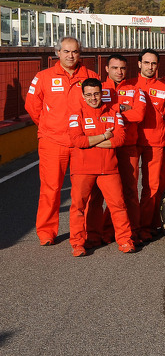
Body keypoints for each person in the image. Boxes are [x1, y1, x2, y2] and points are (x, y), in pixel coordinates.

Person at [25, 37, 99, 245]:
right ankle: (47, 232)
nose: (70, 55)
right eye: (66, 51)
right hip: (52, 141)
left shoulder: (90, 77)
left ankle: (82, 231)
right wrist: (48, 127)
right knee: (51, 189)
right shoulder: (43, 77)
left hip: (81, 142)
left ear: (80, 53)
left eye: (74, 51)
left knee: (83, 190)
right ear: (57, 53)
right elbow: (32, 106)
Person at [67, 78, 135, 256]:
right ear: (83, 95)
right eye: (88, 95)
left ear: (102, 93)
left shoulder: (114, 113)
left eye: (96, 94)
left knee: (118, 206)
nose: (93, 98)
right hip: (83, 168)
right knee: (78, 207)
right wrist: (105, 136)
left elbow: (119, 140)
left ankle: (125, 241)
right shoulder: (76, 115)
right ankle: (78, 243)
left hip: (108, 169)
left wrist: (92, 141)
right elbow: (77, 141)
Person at [88, 54, 146, 245]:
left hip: (128, 146)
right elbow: (91, 112)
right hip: (103, 147)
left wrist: (112, 111)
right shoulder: (99, 89)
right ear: (106, 69)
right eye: (114, 68)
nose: (119, 72)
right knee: (98, 193)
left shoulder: (135, 89)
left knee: (129, 191)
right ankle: (98, 232)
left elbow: (138, 115)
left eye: (122, 68)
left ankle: (133, 231)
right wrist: (121, 107)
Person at [136, 49, 165, 241]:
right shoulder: (129, 86)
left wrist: (158, 130)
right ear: (139, 64)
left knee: (152, 188)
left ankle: (146, 226)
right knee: (124, 189)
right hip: (129, 142)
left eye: (153, 64)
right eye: (146, 63)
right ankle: (123, 226)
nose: (150, 67)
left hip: (154, 142)